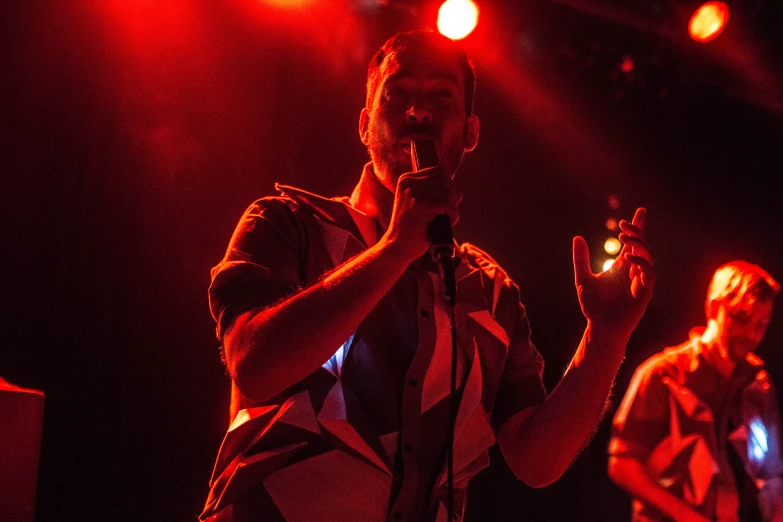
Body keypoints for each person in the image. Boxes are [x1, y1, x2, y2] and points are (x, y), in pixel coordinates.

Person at [200, 30, 655, 522]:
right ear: (363, 124)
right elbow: (254, 365)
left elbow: (536, 460)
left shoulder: (491, 289)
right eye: (397, 94)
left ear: (472, 131)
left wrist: (607, 339)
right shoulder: (286, 223)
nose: (418, 111)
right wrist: (395, 248)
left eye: (442, 95)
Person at [608, 261, 782, 522]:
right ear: (713, 307)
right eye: (742, 318)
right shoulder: (662, 375)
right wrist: (687, 516)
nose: (751, 334)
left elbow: (772, 475)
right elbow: (622, 464)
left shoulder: (759, 384)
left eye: (761, 325)